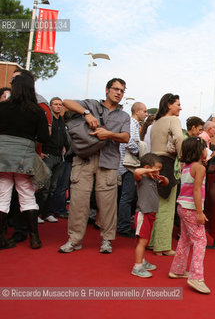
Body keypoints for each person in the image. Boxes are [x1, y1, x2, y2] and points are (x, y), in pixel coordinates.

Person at [58, 78, 130, 254]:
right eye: (116, 89)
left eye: (122, 90)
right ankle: (74, 240)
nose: (119, 93)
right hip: (84, 158)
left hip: (108, 161)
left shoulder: (124, 116)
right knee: (78, 201)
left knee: (107, 204)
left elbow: (126, 137)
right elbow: (66, 102)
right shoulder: (91, 104)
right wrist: (86, 113)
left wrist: (109, 134)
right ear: (107, 90)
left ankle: (106, 240)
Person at [0, 69, 49, 250]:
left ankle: (1, 238)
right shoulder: (36, 111)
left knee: (2, 197)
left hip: (2, 157)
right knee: (27, 196)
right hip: (24, 158)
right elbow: (44, 137)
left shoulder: (2, 107)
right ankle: (34, 238)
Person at [169, 137, 210, 294]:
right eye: (205, 147)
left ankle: (177, 269)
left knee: (185, 240)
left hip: (182, 207)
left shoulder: (186, 167)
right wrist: (200, 212)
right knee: (200, 241)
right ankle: (196, 277)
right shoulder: (199, 168)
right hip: (192, 209)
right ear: (199, 151)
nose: (207, 150)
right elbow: (197, 190)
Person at [149, 93, 184, 256]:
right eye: (178, 104)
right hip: (167, 164)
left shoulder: (155, 123)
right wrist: (183, 157)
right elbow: (179, 137)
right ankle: (162, 246)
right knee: (167, 207)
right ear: (169, 105)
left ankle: (152, 242)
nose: (180, 107)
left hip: (153, 163)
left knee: (155, 206)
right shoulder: (173, 120)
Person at [131, 153, 169, 278]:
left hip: (151, 213)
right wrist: (149, 171)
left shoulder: (153, 179)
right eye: (156, 169)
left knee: (145, 241)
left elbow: (166, 183)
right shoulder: (142, 178)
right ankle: (137, 267)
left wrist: (163, 178)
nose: (157, 172)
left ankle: (142, 261)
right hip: (143, 212)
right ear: (147, 167)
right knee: (142, 242)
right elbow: (136, 171)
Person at [36, 97, 69, 223]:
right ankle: (38, 214)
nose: (58, 107)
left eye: (60, 105)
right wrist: (40, 152)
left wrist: (65, 146)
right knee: (44, 187)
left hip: (58, 158)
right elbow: (40, 135)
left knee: (53, 188)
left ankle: (47, 213)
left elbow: (64, 137)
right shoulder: (47, 120)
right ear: (50, 106)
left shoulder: (61, 121)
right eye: (56, 104)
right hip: (48, 156)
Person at [117, 102, 148, 238]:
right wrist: (139, 152)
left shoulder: (133, 124)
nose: (146, 114)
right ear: (137, 111)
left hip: (126, 164)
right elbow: (130, 142)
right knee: (127, 197)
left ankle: (122, 224)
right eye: (144, 111)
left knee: (126, 196)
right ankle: (123, 226)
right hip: (127, 165)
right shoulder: (132, 123)